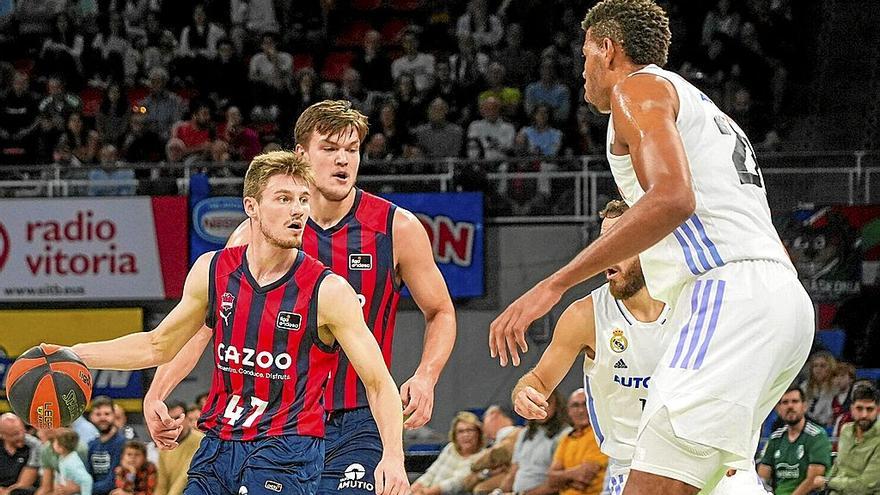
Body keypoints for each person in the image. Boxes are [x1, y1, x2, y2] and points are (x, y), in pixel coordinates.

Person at [490, 1, 814, 493]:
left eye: (584, 57)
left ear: (607, 48)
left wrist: (552, 285)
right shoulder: (702, 107)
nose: (581, 72)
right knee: (720, 482)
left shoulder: (636, 88)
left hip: (728, 293)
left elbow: (672, 198)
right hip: (781, 299)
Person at [141, 100, 456, 493]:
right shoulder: (257, 233)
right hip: (275, 424)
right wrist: (158, 391)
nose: (343, 160)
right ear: (301, 155)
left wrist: (426, 376)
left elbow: (441, 310)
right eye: (329, 148)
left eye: (352, 149)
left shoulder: (396, 228)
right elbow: (205, 327)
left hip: (359, 419)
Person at [56, 151, 409, 495]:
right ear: (251, 206)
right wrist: (73, 354)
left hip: (286, 448)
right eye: (283, 198)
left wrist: (392, 456)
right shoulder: (212, 269)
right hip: (219, 444)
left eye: (303, 199)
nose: (297, 210)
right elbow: (158, 344)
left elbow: (378, 383)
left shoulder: (328, 290)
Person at [510, 200, 765, 495]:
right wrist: (525, 392)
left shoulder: (700, 300)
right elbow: (539, 380)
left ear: (653, 244)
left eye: (621, 242)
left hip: (709, 458)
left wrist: (736, 441)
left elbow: (743, 377)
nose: (607, 254)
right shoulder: (586, 315)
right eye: (604, 243)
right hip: (634, 466)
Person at [757, 386, 832, 495]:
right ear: (778, 409)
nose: (790, 406)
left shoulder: (817, 436)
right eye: (785, 402)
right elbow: (762, 477)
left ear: (804, 406)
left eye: (795, 401)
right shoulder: (775, 438)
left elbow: (813, 479)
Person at [813, 383, 880, 494]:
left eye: (869, 409)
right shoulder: (845, 430)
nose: (864, 414)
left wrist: (827, 482)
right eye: (859, 408)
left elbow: (865, 485)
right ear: (852, 409)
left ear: (877, 410)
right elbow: (837, 466)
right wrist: (825, 485)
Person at [547, 389, 607, 495]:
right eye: (575, 405)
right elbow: (551, 480)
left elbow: (584, 477)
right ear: (568, 411)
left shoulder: (600, 435)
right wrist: (573, 475)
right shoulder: (566, 438)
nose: (581, 410)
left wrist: (562, 477)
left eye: (585, 404)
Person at [411, 412, 484, 495]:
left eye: (470, 430)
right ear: (455, 435)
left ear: (478, 433)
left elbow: (455, 484)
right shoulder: (450, 448)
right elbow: (431, 473)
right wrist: (411, 490)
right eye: (461, 431)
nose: (466, 435)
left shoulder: (483, 457)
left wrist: (424, 493)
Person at [154, 402, 204, 495]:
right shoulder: (164, 445)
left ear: (186, 418)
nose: (174, 423)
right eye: (170, 420)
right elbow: (161, 483)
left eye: (177, 418)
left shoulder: (201, 441)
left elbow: (185, 477)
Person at [87, 397, 127, 495]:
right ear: (91, 417)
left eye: (107, 414)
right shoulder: (92, 445)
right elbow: (87, 475)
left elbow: (112, 482)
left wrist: (83, 488)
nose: (103, 418)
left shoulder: (122, 443)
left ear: (114, 415)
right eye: (98, 414)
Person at [0, 413, 40, 495]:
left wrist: (7, 493)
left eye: (23, 431)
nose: (21, 436)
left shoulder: (34, 445)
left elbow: (25, 483)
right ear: (2, 435)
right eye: (15, 434)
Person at [52, 429, 93, 495]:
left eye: (54, 441)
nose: (53, 444)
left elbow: (87, 480)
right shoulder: (63, 458)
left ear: (61, 447)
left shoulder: (71, 462)